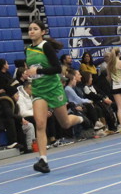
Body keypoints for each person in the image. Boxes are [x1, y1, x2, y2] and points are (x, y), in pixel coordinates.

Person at [24, 21, 82, 174]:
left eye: (35, 29)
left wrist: (39, 70)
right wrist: (27, 72)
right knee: (40, 123)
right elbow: (32, 68)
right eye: (30, 29)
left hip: (53, 88)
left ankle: (79, 118)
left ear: (42, 32)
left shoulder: (46, 47)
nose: (31, 31)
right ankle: (43, 160)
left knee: (65, 123)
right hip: (38, 90)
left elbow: (57, 68)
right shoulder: (27, 49)